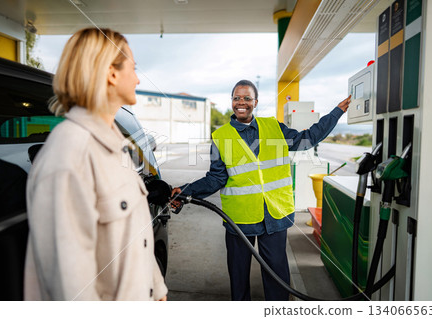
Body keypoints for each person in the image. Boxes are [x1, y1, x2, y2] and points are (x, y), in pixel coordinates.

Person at [172, 79, 350, 301]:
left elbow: (307, 139)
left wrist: (335, 113)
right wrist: (186, 191)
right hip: (239, 219)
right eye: (237, 98)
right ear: (232, 102)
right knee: (239, 279)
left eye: (247, 98)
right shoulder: (221, 137)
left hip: (274, 216)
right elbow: (216, 178)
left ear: (255, 102)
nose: (241, 102)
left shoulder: (274, 127)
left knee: (277, 278)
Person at [24, 28, 167, 301]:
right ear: (112, 74)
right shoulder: (68, 156)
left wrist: (157, 289)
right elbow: (72, 290)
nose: (137, 79)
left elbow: (135, 236)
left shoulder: (113, 145)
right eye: (133, 68)